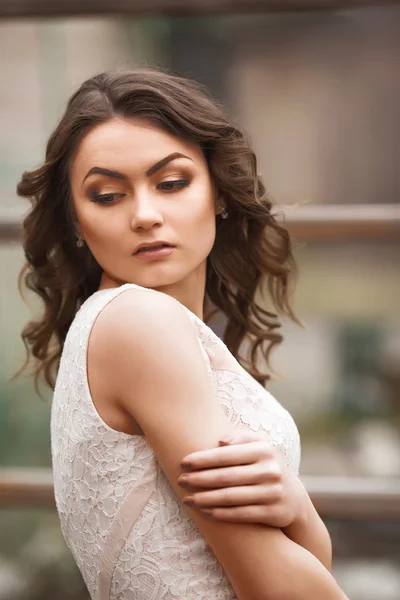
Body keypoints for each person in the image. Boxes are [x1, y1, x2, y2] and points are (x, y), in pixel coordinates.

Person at [16, 68, 348, 600]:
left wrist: (297, 508)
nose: (146, 215)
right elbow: (279, 587)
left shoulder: (127, 324)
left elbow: (300, 572)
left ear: (217, 192)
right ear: (77, 222)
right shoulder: (139, 323)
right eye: (107, 195)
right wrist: (302, 518)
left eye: (171, 183)